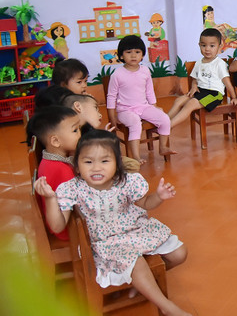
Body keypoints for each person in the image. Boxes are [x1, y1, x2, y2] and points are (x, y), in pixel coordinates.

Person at [34, 130, 189, 316]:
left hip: (134, 229)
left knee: (179, 253)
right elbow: (57, 226)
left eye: (105, 161)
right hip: (106, 242)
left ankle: (142, 285)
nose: (96, 168)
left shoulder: (127, 181)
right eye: (88, 162)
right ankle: (167, 307)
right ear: (77, 165)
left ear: (117, 163)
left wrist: (159, 196)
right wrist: (51, 199)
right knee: (135, 261)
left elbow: (146, 203)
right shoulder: (72, 188)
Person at [107, 36, 174, 162]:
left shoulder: (145, 71)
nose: (133, 55)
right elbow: (111, 96)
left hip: (143, 107)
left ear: (142, 55)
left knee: (165, 119)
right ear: (121, 56)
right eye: (129, 52)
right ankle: (136, 157)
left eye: (137, 52)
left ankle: (163, 147)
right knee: (135, 123)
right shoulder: (117, 74)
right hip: (125, 110)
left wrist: (154, 106)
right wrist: (112, 117)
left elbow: (149, 91)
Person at [168, 28, 237, 129]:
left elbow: (227, 82)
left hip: (214, 94)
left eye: (212, 46)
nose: (207, 49)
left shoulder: (219, 63)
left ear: (220, 46)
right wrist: (194, 86)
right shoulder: (199, 63)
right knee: (179, 101)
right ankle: (164, 121)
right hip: (200, 91)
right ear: (199, 45)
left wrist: (234, 97)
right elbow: (195, 78)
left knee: (190, 104)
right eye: (203, 45)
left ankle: (168, 126)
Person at [28, 105, 81, 240]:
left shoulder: (49, 160)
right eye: (75, 130)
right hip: (71, 230)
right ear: (55, 141)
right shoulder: (62, 171)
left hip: (64, 222)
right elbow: (60, 224)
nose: (80, 134)